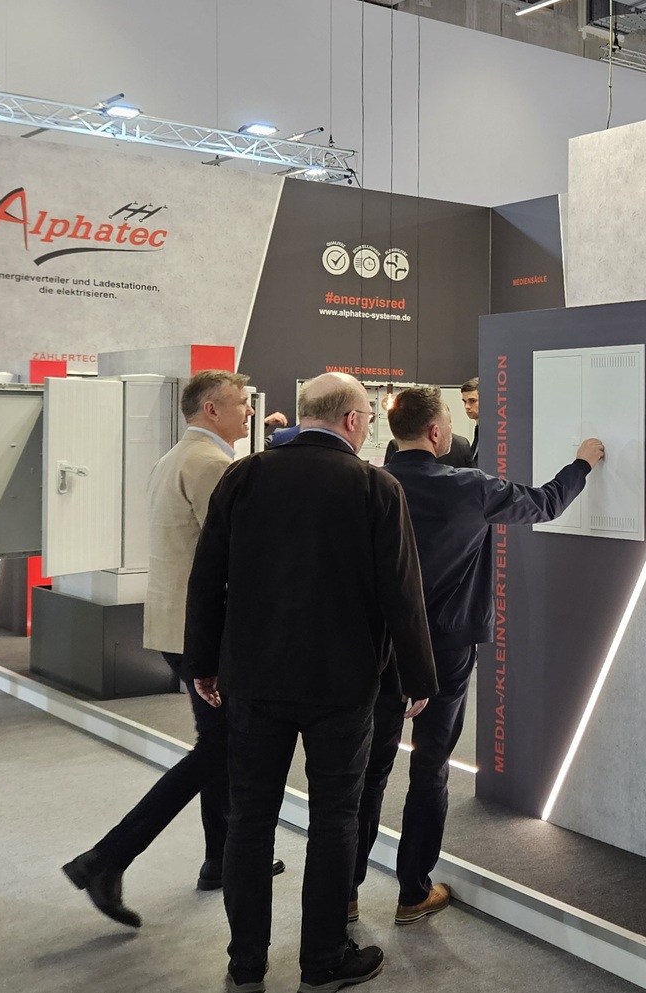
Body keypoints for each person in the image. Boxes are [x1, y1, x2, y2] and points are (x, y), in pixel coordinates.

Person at [184, 372, 437, 993]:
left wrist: (203, 663)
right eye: (367, 418)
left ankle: (246, 964)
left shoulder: (242, 476)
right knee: (334, 816)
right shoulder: (375, 486)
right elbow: (402, 592)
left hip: (253, 678)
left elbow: (207, 575)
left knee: (250, 819)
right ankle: (322, 962)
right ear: (352, 420)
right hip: (342, 684)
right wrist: (417, 676)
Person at [349, 385, 599, 925]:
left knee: (370, 767)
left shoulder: (371, 484)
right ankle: (412, 893)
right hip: (446, 645)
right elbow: (545, 503)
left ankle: (345, 893)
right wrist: (582, 463)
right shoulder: (467, 486)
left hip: (381, 647)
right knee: (430, 765)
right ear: (436, 432)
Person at [62, 371, 284, 926]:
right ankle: (107, 857)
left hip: (177, 625)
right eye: (241, 403)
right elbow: (234, 554)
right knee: (219, 748)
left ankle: (218, 859)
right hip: (206, 630)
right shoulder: (212, 466)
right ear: (211, 409)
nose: (250, 411)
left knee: (218, 743)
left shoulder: (175, 458)